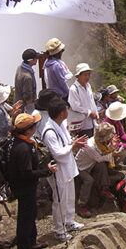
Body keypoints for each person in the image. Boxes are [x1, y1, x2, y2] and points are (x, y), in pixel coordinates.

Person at [42, 98, 88, 241]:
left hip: (67, 167)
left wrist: (74, 143)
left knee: (69, 196)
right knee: (60, 199)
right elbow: (57, 153)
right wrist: (73, 146)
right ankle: (59, 229)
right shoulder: (49, 131)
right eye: (66, 109)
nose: (68, 111)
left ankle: (69, 221)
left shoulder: (60, 125)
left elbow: (67, 141)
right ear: (62, 113)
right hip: (58, 169)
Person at [8, 112, 56, 249]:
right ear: (28, 130)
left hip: (22, 186)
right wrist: (47, 171)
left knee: (29, 214)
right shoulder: (23, 148)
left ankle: (32, 241)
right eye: (34, 125)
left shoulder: (19, 143)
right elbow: (27, 173)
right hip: (24, 188)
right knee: (25, 217)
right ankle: (25, 244)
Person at [75, 122, 120, 218]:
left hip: (91, 163)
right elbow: (99, 158)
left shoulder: (99, 142)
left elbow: (103, 155)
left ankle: (104, 187)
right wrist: (113, 154)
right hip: (80, 167)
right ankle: (81, 205)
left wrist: (113, 146)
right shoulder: (90, 145)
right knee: (88, 180)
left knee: (101, 166)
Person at [67, 63, 98, 138]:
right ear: (78, 76)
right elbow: (75, 106)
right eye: (85, 74)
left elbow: (91, 102)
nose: (87, 77)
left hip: (91, 122)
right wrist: (89, 112)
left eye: (89, 74)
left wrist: (96, 114)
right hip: (81, 124)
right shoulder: (74, 89)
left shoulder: (88, 86)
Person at [14, 48, 41, 113]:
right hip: (24, 108)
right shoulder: (27, 77)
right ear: (31, 60)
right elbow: (28, 97)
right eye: (36, 58)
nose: (37, 59)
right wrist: (31, 112)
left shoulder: (20, 67)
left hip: (18, 103)